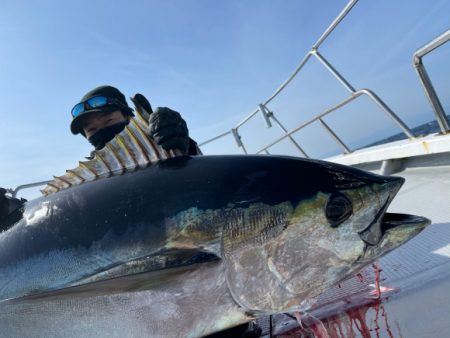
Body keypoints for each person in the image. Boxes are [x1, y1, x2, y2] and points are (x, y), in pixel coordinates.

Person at [70, 85, 201, 155]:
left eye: (108, 120)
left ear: (128, 117)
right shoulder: (86, 179)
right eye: (91, 129)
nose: (101, 130)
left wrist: (186, 147)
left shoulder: (162, 145)